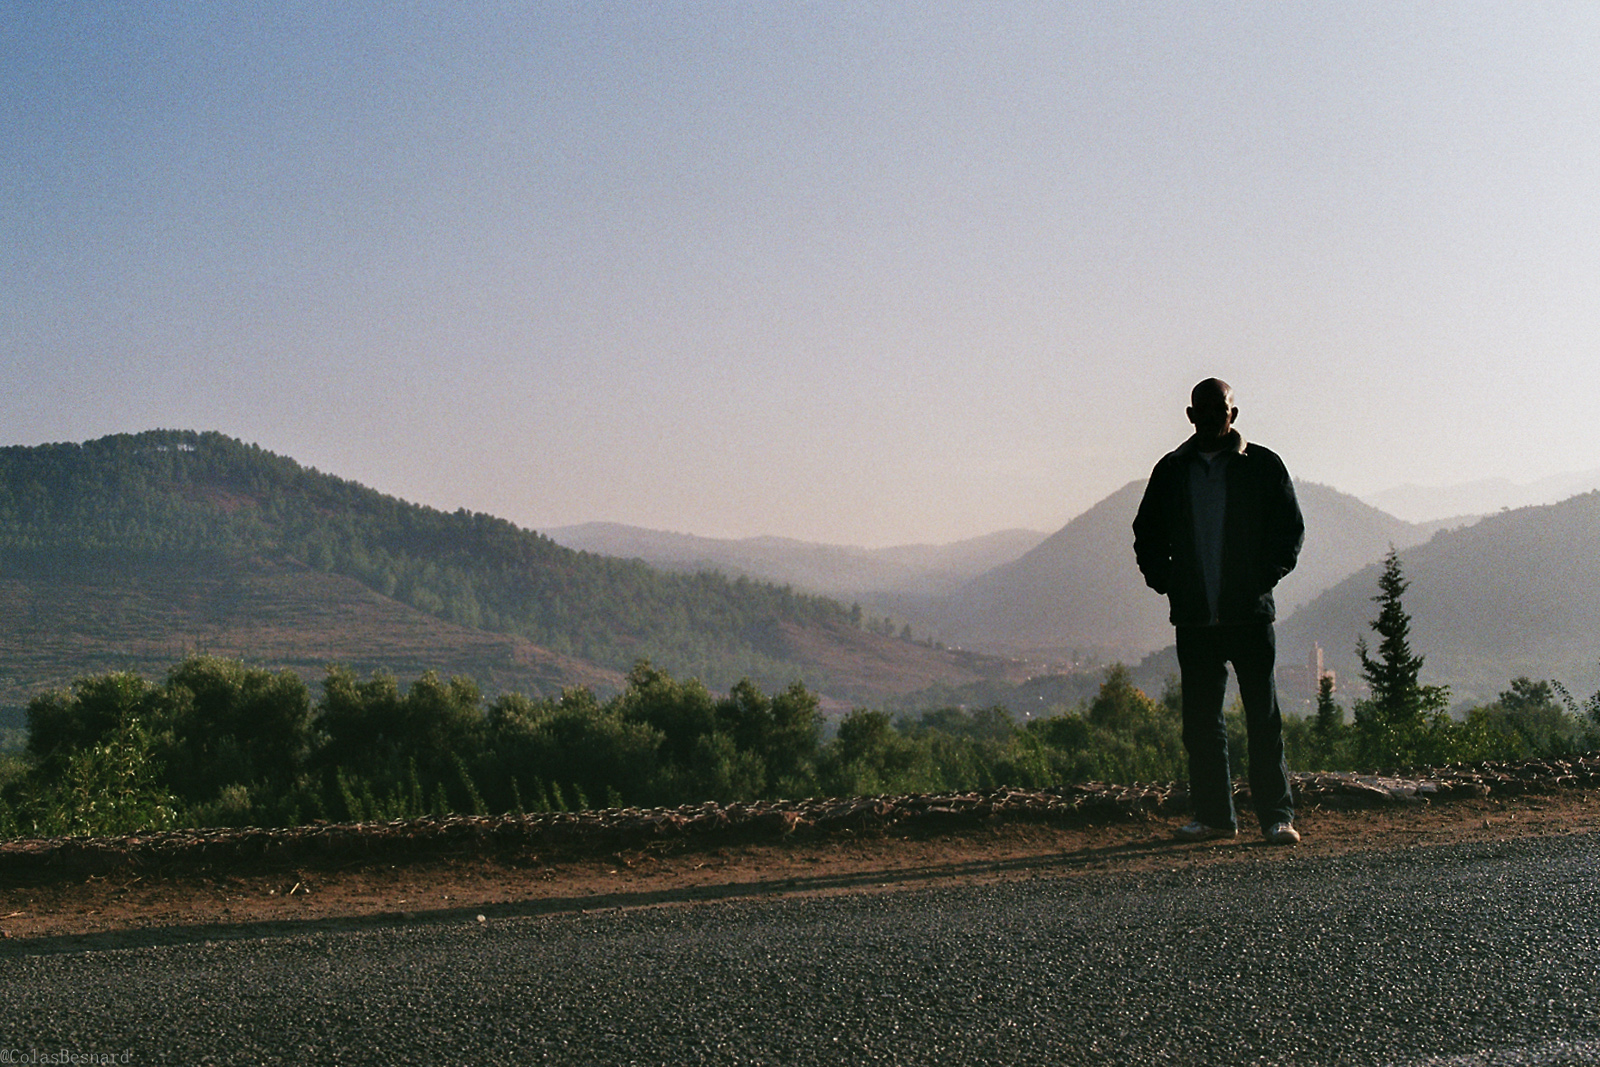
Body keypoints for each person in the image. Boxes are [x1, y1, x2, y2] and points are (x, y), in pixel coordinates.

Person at [1132, 378, 1305, 845]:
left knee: (1263, 719)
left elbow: (1290, 530)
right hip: (1194, 619)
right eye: (1203, 410)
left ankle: (1277, 817)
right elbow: (1146, 533)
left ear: (1233, 413)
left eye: (1219, 409)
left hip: (1249, 616)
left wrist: (1262, 579)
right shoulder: (1171, 471)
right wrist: (1167, 582)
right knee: (1201, 724)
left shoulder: (1263, 466)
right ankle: (1215, 819)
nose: (1211, 417)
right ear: (1191, 415)